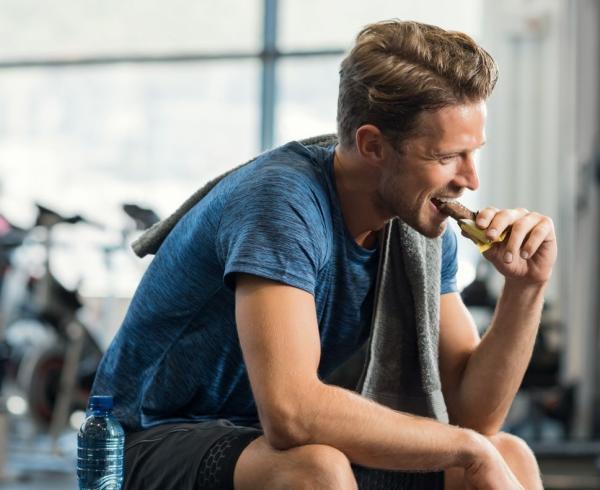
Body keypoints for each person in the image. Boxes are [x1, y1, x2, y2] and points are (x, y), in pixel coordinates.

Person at [92, 19, 555, 490]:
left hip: (257, 440)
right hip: (143, 440)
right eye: (446, 157)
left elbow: (474, 416)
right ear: (373, 145)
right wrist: (467, 448)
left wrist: (526, 286)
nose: (471, 180)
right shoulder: (281, 202)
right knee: (315, 471)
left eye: (474, 153)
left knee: (507, 454)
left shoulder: (420, 225)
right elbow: (292, 414)